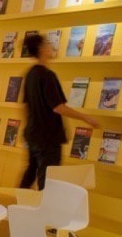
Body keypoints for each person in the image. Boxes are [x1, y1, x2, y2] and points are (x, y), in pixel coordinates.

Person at [20, 33, 99, 189]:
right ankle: (45, 204)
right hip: (47, 137)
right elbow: (58, 107)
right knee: (48, 178)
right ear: (41, 49)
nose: (52, 47)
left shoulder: (30, 74)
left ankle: (17, 201)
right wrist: (86, 118)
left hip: (33, 134)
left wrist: (28, 129)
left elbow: (25, 106)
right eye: (48, 44)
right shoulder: (47, 75)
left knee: (31, 171)